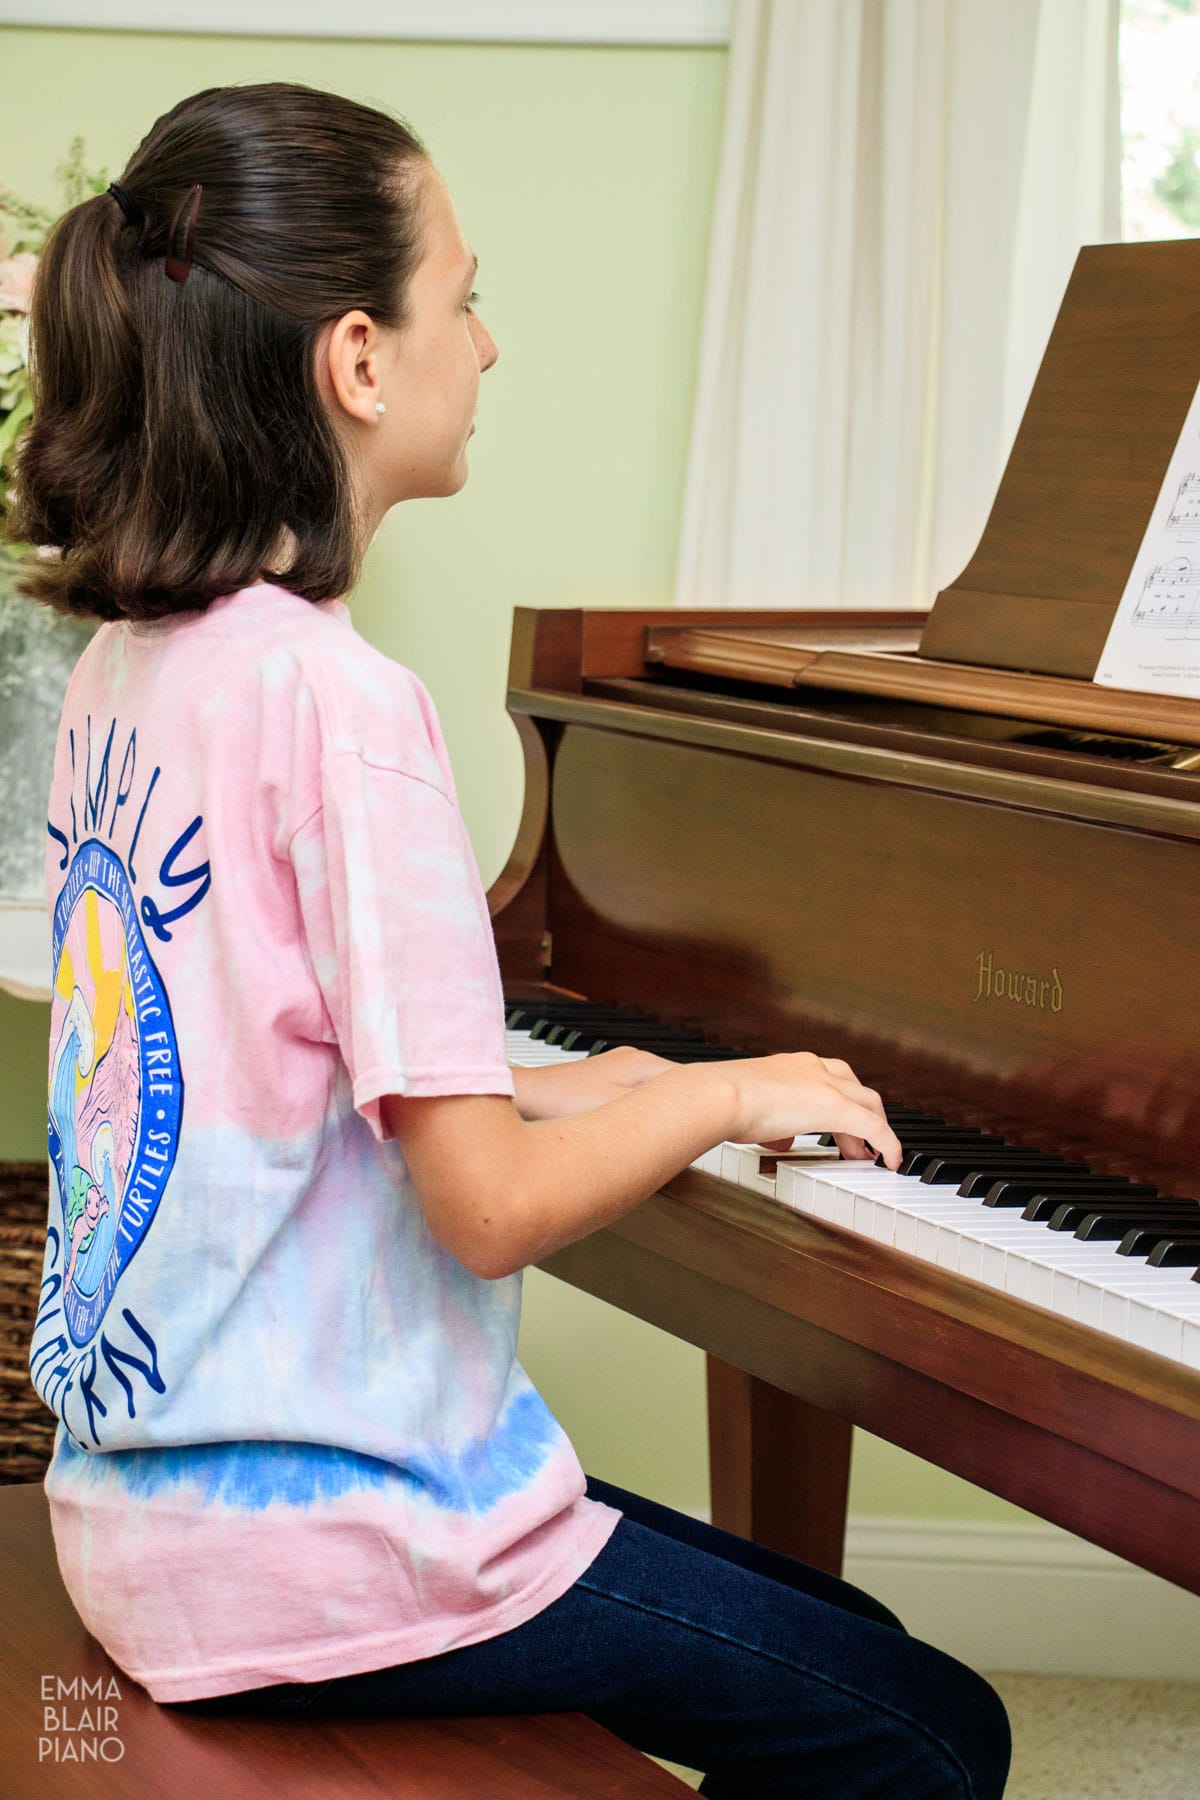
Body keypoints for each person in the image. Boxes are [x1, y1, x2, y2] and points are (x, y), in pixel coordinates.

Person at [14, 82, 1010, 1799]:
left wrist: (572, 1083)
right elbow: (478, 1217)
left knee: (838, 1634)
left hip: (146, 1512)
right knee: (931, 1731)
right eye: (464, 297)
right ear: (359, 362)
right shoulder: (345, 705)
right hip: (330, 1557)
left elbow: (269, 1079)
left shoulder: (135, 670)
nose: (493, 340)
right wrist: (720, 1094)